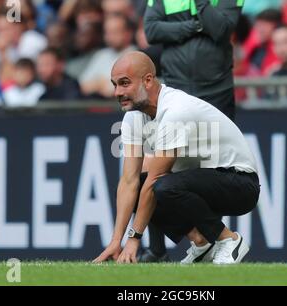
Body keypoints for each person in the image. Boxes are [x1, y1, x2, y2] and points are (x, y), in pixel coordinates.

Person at [93, 51, 260, 265]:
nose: (118, 92)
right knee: (144, 184)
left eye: (125, 83)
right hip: (202, 183)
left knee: (162, 186)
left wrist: (134, 239)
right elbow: (129, 181)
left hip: (241, 185)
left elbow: (156, 180)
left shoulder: (175, 110)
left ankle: (229, 240)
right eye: (115, 84)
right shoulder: (132, 117)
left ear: (148, 80)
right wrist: (116, 241)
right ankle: (201, 243)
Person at [142, 0, 246, 262]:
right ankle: (157, 249)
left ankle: (214, 242)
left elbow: (221, 29)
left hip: (216, 95)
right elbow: (152, 31)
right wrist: (195, 26)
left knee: (212, 170)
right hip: (176, 93)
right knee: (158, 167)